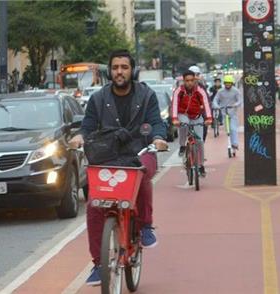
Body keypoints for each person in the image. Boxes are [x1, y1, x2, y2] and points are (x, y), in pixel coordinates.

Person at [67, 49, 168, 287]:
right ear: (109, 71)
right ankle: (98, 264)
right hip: (107, 156)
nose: (119, 72)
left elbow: (156, 122)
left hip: (140, 151)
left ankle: (144, 226)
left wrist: (159, 138)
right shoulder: (98, 98)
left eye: (124, 67)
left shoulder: (146, 96)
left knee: (141, 173)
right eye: (115, 68)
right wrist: (80, 136)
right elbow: (88, 125)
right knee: (94, 205)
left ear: (132, 70)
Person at [171, 69, 213, 176]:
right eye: (187, 80)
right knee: (183, 124)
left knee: (200, 142)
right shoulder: (178, 91)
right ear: (183, 81)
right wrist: (175, 118)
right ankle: (182, 146)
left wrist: (209, 118)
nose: (189, 83)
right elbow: (174, 105)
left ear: (195, 80)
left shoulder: (199, 90)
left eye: (191, 80)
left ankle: (201, 165)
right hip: (183, 115)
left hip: (197, 117)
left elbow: (206, 104)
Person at [212, 75, 242, 150]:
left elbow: (240, 100)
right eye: (226, 83)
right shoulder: (220, 91)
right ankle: (231, 143)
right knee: (228, 130)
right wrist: (217, 106)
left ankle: (235, 143)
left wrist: (235, 104)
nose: (228, 85)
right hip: (224, 113)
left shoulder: (236, 91)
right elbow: (215, 100)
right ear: (224, 83)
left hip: (232, 113)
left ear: (232, 83)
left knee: (233, 128)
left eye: (229, 83)